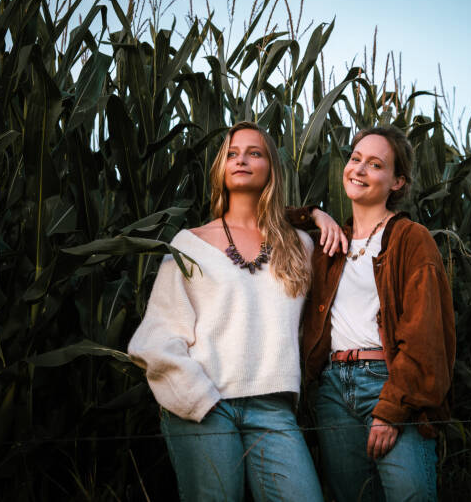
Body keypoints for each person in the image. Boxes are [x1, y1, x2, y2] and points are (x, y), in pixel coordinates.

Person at [128, 122, 325, 502]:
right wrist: (197, 398)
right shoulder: (189, 244)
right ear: (220, 168)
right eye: (232, 154)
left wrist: (317, 215)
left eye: (255, 153)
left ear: (272, 168)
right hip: (205, 403)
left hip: (274, 408)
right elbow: (155, 337)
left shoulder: (300, 245)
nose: (242, 160)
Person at [298, 126, 456, 502]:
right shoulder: (329, 243)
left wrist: (392, 408)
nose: (359, 169)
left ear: (397, 182)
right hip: (333, 390)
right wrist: (314, 215)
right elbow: (262, 220)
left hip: (391, 383)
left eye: (375, 164)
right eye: (355, 159)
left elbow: (424, 333)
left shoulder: (410, 238)